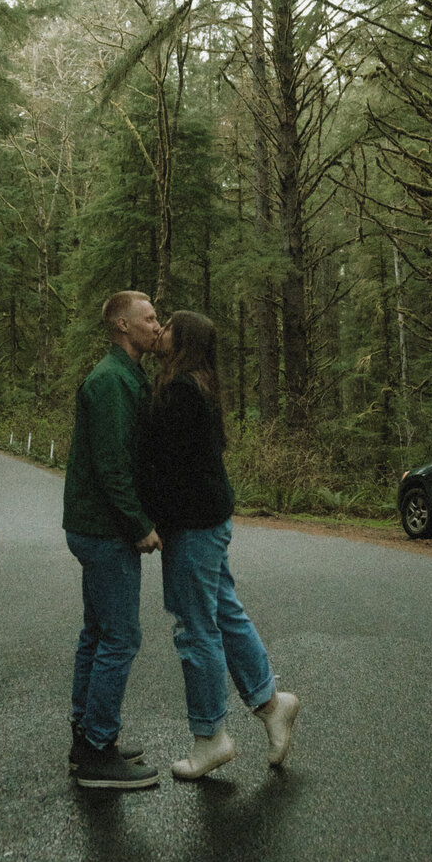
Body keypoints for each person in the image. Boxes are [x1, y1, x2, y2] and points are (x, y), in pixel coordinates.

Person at [136, 310, 300, 780]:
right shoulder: (197, 385)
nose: (159, 329)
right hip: (208, 519)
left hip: (192, 525)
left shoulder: (181, 392)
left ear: (182, 338)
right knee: (222, 611)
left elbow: (168, 470)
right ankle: (271, 704)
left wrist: (152, 523)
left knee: (195, 627)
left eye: (166, 324)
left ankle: (211, 738)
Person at [63, 290, 163, 790]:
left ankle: (87, 740)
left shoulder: (126, 376)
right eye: (148, 319)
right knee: (120, 637)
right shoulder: (110, 382)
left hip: (96, 527)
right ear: (122, 326)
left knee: (98, 634)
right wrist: (138, 525)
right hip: (104, 530)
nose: (156, 325)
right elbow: (111, 464)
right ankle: (99, 750)